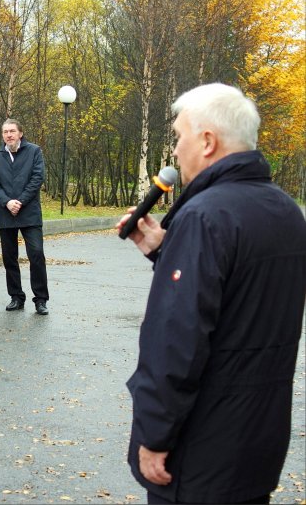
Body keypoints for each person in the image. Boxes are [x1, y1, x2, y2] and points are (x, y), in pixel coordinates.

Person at [117, 83, 306, 504]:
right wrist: (167, 251)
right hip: (258, 439)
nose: (176, 151)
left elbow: (177, 339)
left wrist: (155, 433)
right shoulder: (286, 211)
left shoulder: (205, 217)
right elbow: (243, 301)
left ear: (207, 141)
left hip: (202, 446)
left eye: (180, 137)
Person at [0, 119, 49, 315]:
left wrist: (20, 201)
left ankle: (40, 299)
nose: (9, 135)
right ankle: (16, 297)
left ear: (20, 133)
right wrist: (7, 202)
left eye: (12, 131)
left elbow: (37, 178)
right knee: (9, 258)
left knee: (36, 254)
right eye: (5, 132)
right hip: (6, 213)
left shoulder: (34, 151)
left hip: (29, 211)